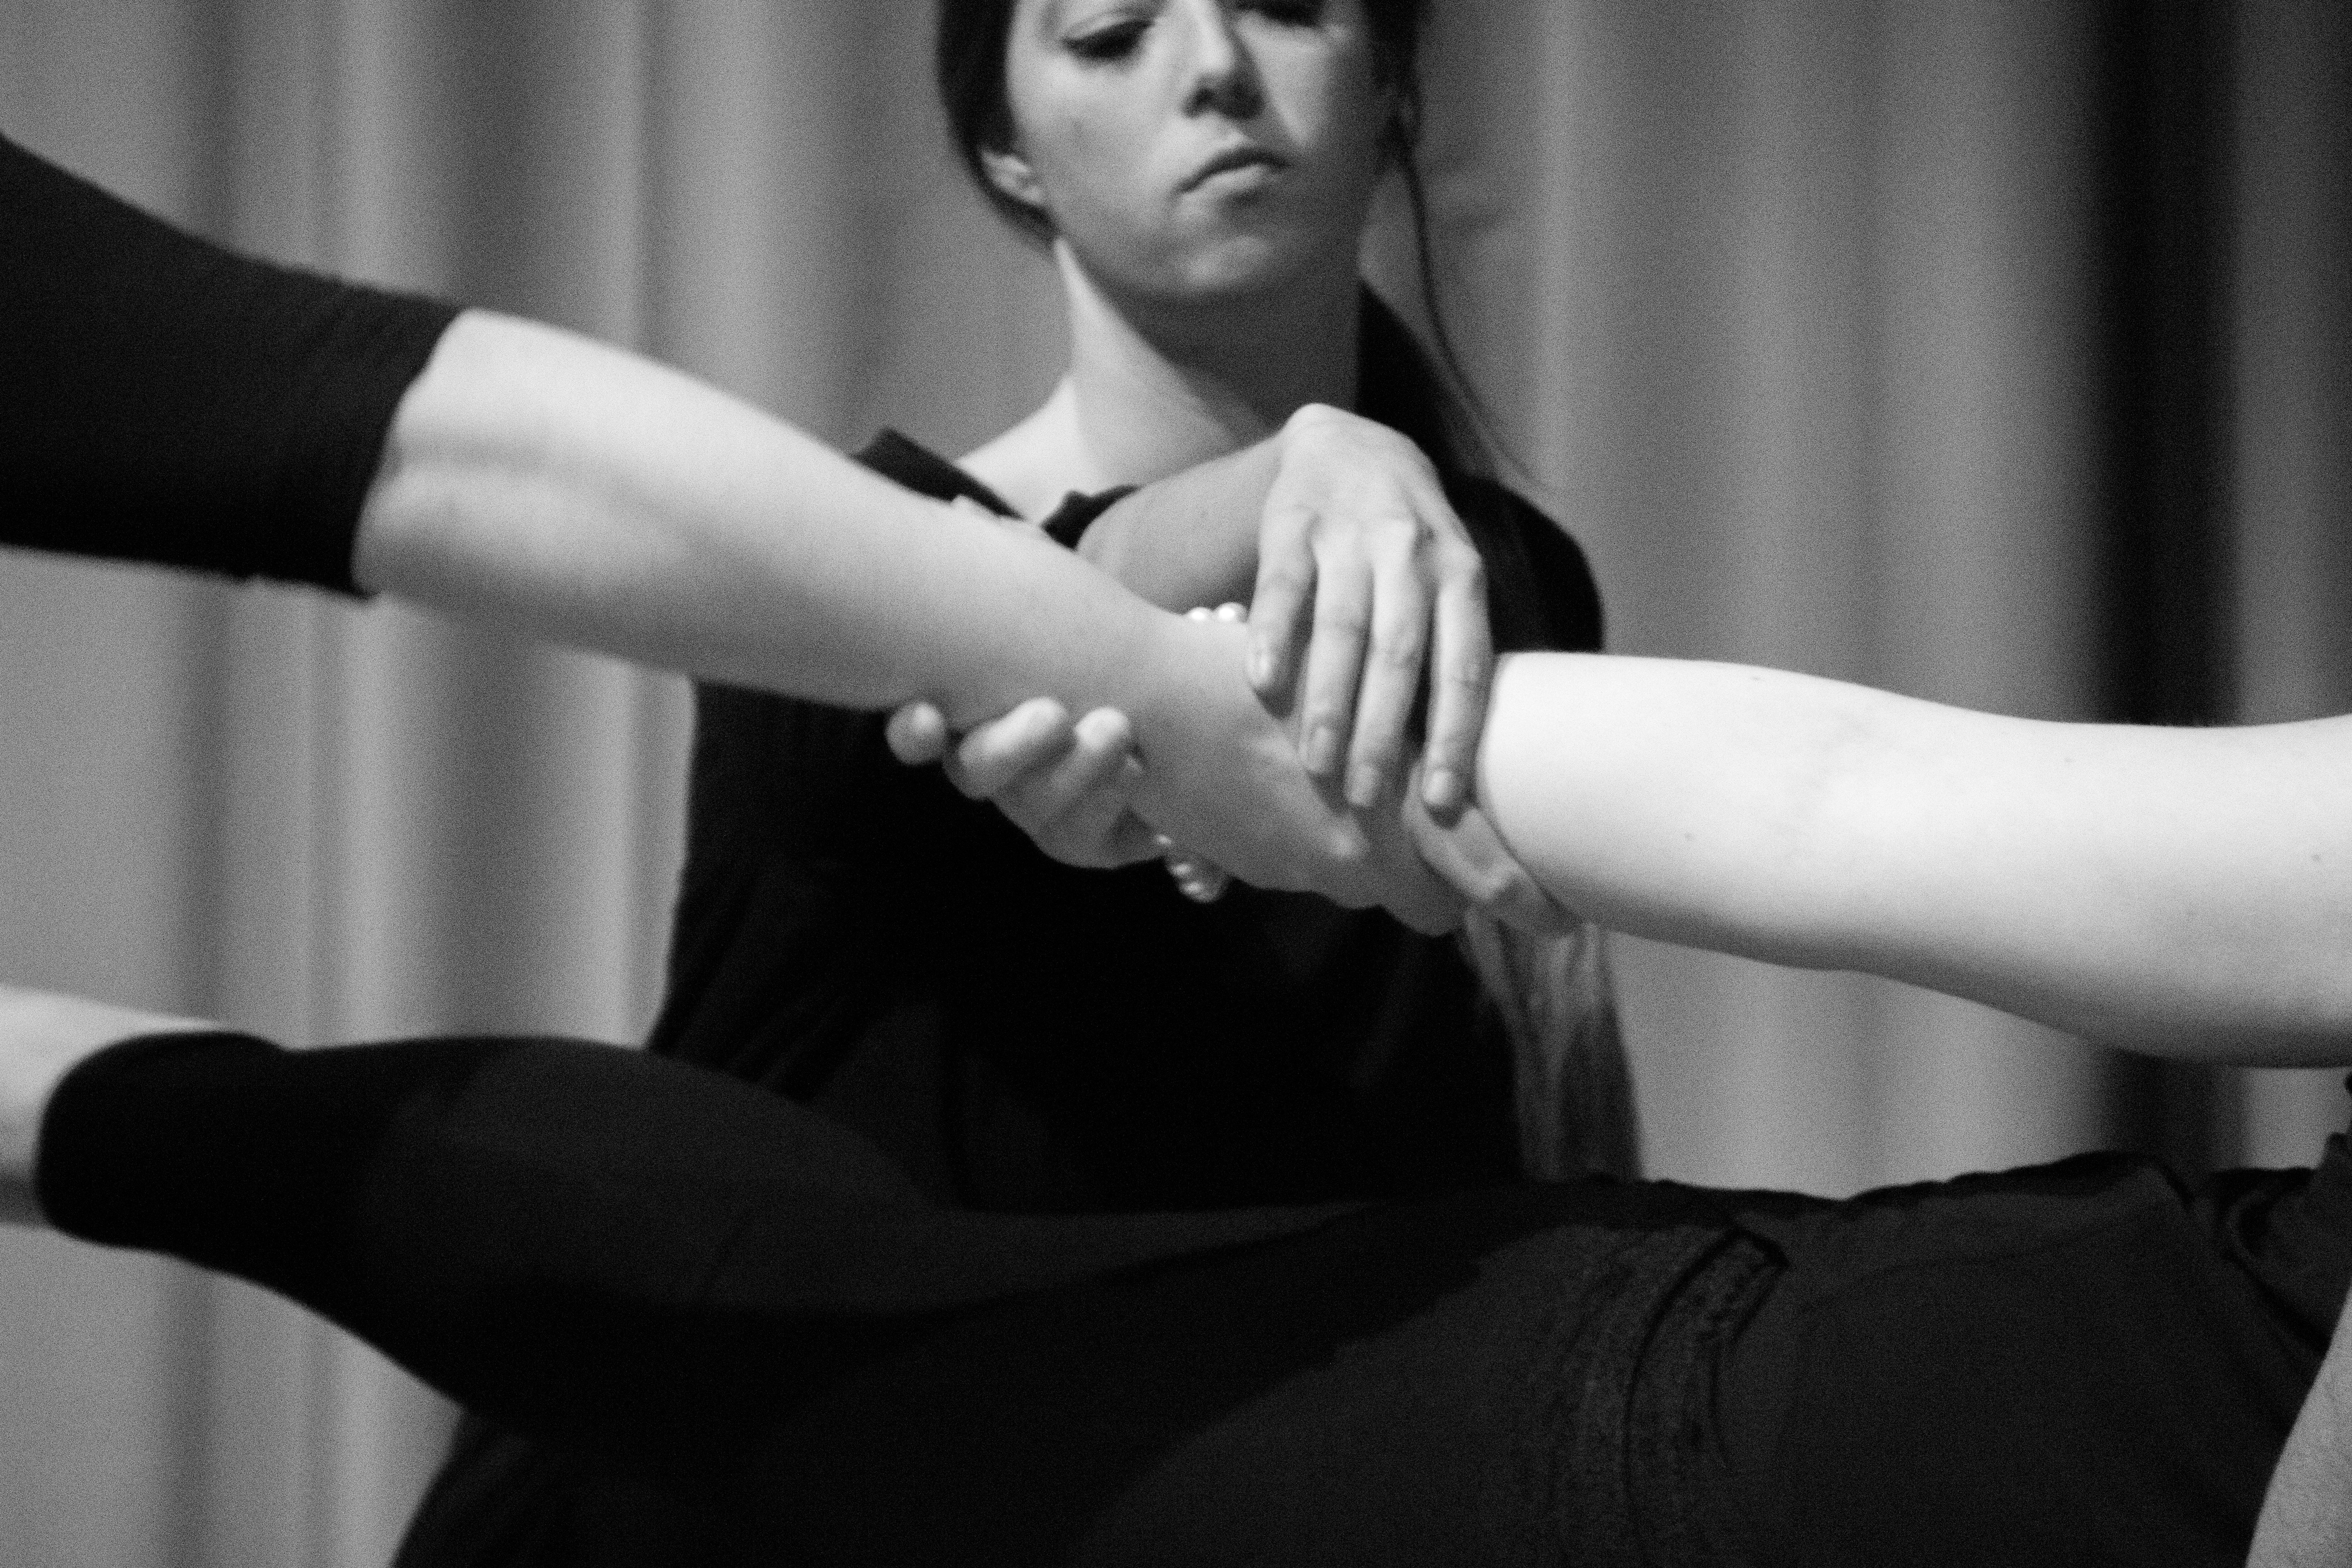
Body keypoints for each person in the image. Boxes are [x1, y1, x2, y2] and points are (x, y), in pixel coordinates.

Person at [3, 644, 2347, 1566]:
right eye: (1110, 26)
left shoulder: (1468, 548)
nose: (1213, 79)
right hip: (1738, 1435)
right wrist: (1208, 716)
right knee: (833, 1341)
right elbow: (1859, 805)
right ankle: (72, 1100)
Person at [0, 127, 1453, 924]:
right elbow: (399, 431)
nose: (1214, 78)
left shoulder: (1499, 564)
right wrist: (1184, 628)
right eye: (1112, 28)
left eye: (1285, 5)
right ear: (1006, 145)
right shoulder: (849, 579)